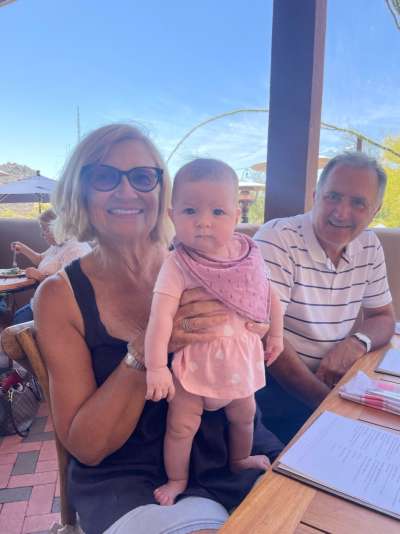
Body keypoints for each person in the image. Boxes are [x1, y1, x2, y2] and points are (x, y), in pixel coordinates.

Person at [33, 124, 283, 534]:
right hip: (131, 478)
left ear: (161, 192)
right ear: (80, 191)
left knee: (312, 508)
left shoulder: (205, 259)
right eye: (105, 176)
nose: (127, 191)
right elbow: (87, 446)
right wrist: (143, 349)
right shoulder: (60, 296)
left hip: (228, 444)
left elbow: (262, 310)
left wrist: (261, 326)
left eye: (142, 177)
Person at [145, 158, 283, 506]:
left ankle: (239, 459)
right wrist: (157, 367)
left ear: (237, 216)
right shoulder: (177, 265)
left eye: (218, 212)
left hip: (240, 362)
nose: (204, 222)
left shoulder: (248, 256)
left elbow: (271, 296)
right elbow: (159, 319)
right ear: (173, 216)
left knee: (245, 416)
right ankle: (177, 479)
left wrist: (276, 336)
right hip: (194, 365)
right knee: (181, 427)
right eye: (191, 210)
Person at [254, 151, 396, 444]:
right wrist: (331, 405)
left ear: (375, 210)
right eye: (333, 196)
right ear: (316, 194)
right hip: (270, 391)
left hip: (334, 381)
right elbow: (267, 340)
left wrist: (356, 343)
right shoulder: (278, 237)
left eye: (358, 202)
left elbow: (384, 317)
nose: (341, 212)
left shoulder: (369, 245)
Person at [11, 208, 91, 324]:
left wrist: (39, 276)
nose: (42, 234)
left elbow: (69, 285)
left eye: (45, 230)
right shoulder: (58, 245)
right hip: (42, 302)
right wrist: (22, 248)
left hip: (60, 310)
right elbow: (40, 259)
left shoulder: (76, 249)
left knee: (18, 322)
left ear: (59, 228)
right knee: (17, 317)